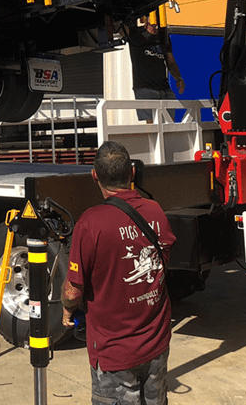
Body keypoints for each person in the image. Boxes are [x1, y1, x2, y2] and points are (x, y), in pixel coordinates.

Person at [61, 141, 176, 405]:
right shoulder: (155, 211)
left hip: (114, 352)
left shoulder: (91, 223)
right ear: (132, 173)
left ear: (95, 176)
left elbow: (73, 289)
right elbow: (165, 256)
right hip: (156, 343)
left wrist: (67, 309)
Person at [124, 20, 184, 123]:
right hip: (145, 88)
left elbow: (170, 62)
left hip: (164, 87)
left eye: (158, 21)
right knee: (153, 126)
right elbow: (120, 26)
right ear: (146, 19)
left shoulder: (163, 37)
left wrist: (178, 78)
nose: (155, 25)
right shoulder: (135, 33)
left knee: (170, 123)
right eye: (153, 21)